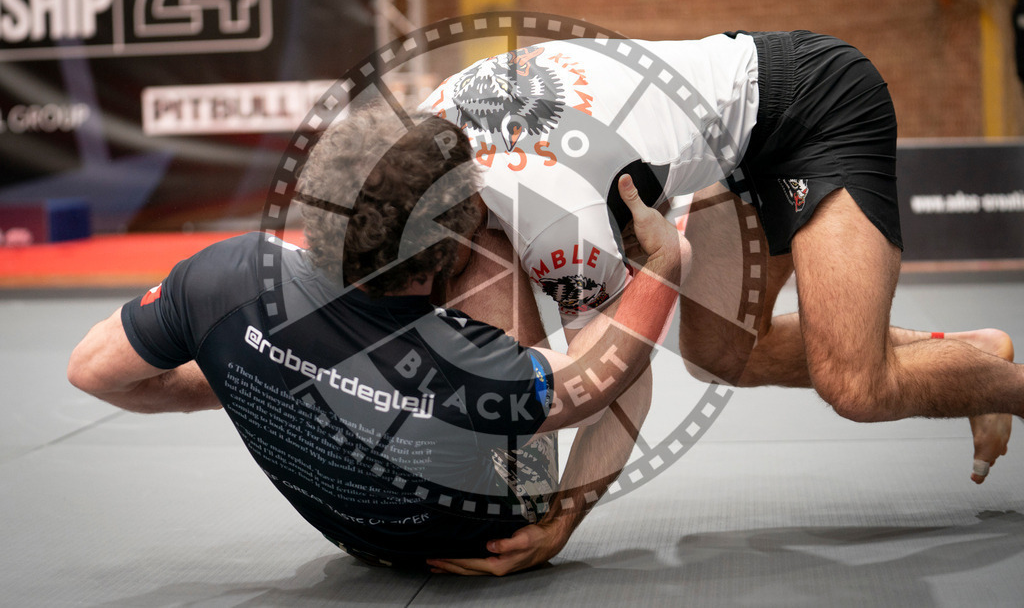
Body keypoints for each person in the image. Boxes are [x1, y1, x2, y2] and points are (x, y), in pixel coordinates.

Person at [421, 30, 1023, 575]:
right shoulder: (419, 133)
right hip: (735, 148)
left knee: (854, 384)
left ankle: (1005, 386)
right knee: (717, 353)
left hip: (817, 105)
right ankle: (970, 358)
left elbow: (621, 379)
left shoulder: (559, 221)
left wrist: (557, 525)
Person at [66, 102, 685, 570]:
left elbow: (91, 370)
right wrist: (665, 264)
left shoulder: (225, 276)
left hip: (351, 532)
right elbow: (603, 382)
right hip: (475, 537)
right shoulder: (473, 371)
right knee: (533, 260)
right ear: (435, 258)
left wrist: (249, 371)